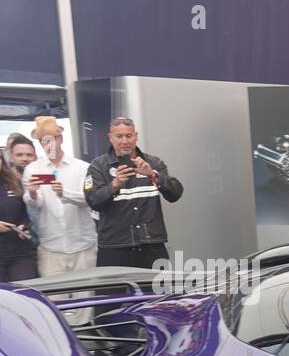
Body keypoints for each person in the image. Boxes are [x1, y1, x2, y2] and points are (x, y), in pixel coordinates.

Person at [85, 116, 184, 269]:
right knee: (113, 293)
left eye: (129, 136)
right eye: (119, 136)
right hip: (114, 247)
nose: (125, 141)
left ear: (136, 136)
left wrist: (152, 175)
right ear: (110, 138)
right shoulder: (97, 166)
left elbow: (175, 193)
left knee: (161, 292)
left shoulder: (154, 163)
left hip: (151, 245)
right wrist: (114, 185)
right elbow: (92, 201)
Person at [23, 117, 96, 280]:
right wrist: (33, 193)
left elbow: (91, 199)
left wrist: (65, 194)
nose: (48, 144)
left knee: (84, 299)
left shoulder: (82, 167)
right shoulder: (32, 169)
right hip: (51, 247)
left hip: (82, 245)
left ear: (60, 139)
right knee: (54, 300)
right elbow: (35, 203)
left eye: (51, 139)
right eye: (43, 141)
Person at [0, 150, 37, 282]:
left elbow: (25, 213)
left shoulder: (12, 182)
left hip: (19, 251)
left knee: (26, 294)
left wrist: (24, 226)